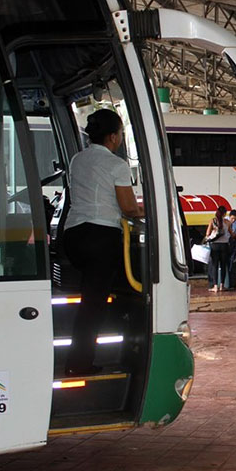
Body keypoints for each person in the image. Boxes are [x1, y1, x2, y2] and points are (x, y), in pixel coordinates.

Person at [63, 109, 144, 376]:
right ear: (112, 136)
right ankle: (80, 363)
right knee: (94, 304)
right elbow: (129, 208)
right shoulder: (117, 165)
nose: (120, 139)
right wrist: (150, 210)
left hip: (73, 236)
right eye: (120, 134)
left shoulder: (77, 159)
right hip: (101, 238)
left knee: (93, 295)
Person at [205, 206, 231, 292]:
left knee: (214, 265)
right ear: (224, 213)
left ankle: (215, 286)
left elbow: (208, 233)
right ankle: (222, 286)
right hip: (224, 246)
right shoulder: (227, 222)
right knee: (223, 265)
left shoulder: (213, 221)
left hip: (215, 246)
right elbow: (232, 234)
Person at [227, 210, 236, 289]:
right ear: (229, 217)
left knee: (232, 262)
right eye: (232, 218)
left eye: (235, 219)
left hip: (232, 241)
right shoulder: (225, 221)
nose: (233, 220)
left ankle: (232, 283)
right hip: (225, 241)